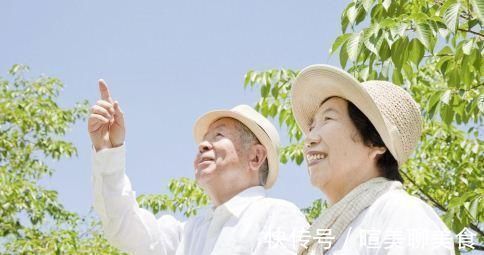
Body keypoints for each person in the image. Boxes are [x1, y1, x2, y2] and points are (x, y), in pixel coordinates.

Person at [88, 80, 308, 255]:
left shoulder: (277, 216)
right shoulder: (189, 233)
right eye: (204, 139)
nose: (203, 145)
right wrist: (109, 149)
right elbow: (123, 224)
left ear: (256, 156)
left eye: (219, 135)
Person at [290, 65, 455, 254]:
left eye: (328, 118)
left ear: (374, 143)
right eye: (311, 126)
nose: (309, 138)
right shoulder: (326, 234)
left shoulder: (401, 215)